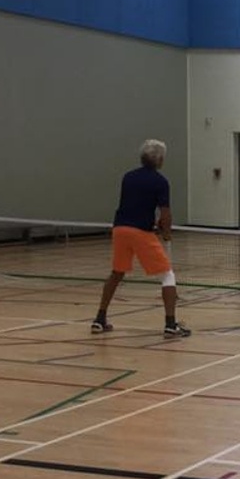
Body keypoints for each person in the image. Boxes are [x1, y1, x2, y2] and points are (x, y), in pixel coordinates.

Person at [91, 139, 190, 338]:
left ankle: (99, 319)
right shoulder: (161, 182)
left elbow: (134, 204)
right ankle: (171, 324)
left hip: (120, 229)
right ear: (160, 159)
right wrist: (167, 232)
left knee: (117, 273)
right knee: (167, 275)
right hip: (140, 232)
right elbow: (165, 213)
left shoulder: (128, 177)